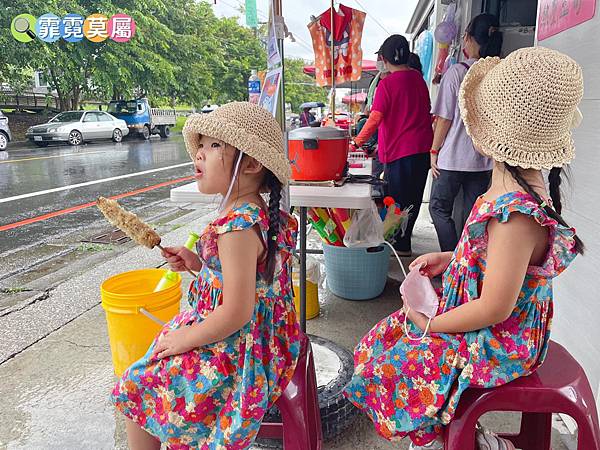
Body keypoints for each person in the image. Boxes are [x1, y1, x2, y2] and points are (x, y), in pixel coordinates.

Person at [344, 47, 584, 450]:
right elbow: (496, 258)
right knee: (384, 339)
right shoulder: (513, 187)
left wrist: (431, 326)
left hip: (502, 337)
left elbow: (495, 308)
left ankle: (458, 439)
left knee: (398, 362)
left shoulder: (516, 214)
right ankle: (448, 432)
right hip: (494, 322)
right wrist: (454, 257)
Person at [111, 102, 300, 450]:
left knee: (135, 384)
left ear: (252, 164)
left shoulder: (237, 227)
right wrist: (198, 264)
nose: (199, 153)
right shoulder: (254, 212)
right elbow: (247, 279)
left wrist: (188, 339)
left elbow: (237, 311)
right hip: (263, 332)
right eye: (201, 145)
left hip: (244, 345)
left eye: (214, 146)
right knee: (160, 352)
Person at [352, 35, 433, 255]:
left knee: (395, 202)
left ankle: (395, 246)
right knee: (413, 199)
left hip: (400, 153)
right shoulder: (419, 80)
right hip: (422, 151)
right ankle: (404, 244)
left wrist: (356, 143)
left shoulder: (387, 84)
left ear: (384, 58)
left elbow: (375, 119)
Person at [429, 14, 503, 252]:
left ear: (469, 39)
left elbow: (444, 119)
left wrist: (434, 150)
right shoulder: (499, 73)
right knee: (474, 217)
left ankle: (452, 259)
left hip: (451, 158)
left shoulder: (457, 72)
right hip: (483, 161)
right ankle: (467, 262)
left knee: (439, 209)